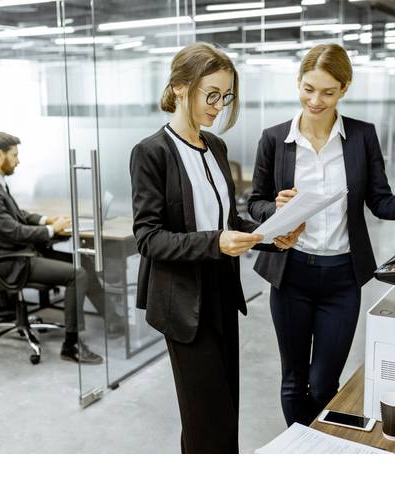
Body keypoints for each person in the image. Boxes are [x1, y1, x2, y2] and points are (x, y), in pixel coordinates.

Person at [248, 44, 395, 427]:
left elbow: (381, 202)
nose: (315, 100)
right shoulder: (274, 139)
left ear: (345, 88)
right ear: (297, 83)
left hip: (341, 280)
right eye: (308, 88)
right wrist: (275, 208)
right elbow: (255, 203)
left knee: (323, 384)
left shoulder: (362, 137)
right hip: (291, 275)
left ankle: (312, 442)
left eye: (328, 92)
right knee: (293, 381)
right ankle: (302, 453)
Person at [130, 42, 304, 453]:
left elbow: (229, 223)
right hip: (184, 303)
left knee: (226, 411)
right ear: (179, 88)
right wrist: (215, 242)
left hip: (223, 294)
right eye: (212, 95)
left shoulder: (216, 148)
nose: (219, 106)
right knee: (205, 418)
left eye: (226, 97)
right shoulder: (152, 153)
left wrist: (272, 235)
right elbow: (149, 238)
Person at [0, 132, 120, 364]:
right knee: (77, 275)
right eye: (14, 155)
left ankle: (113, 320)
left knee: (83, 261)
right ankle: (71, 345)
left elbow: (19, 216)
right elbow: (13, 231)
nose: (18, 160)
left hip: (21, 253)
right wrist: (51, 230)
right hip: (12, 261)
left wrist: (46, 220)